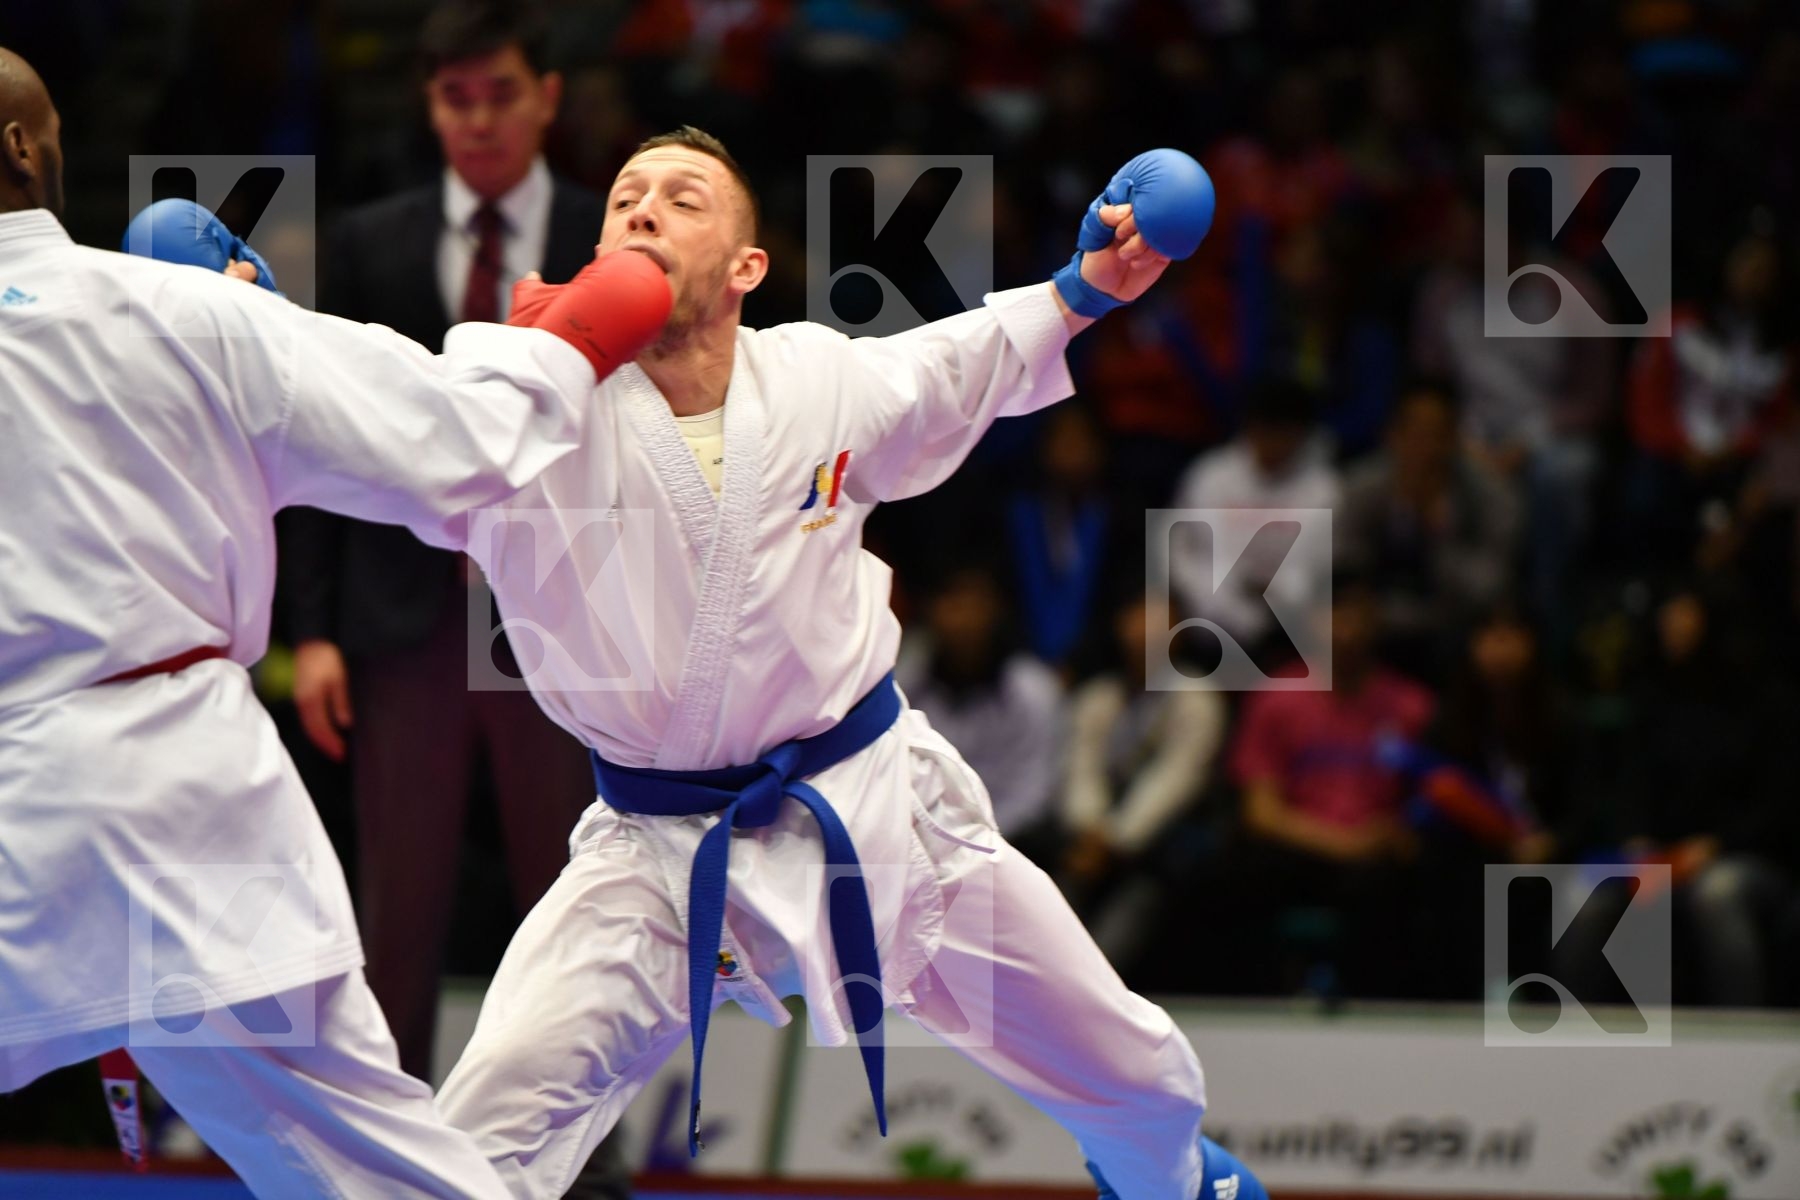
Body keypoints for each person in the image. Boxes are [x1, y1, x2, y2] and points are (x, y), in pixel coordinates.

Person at [434, 128, 1264, 1200]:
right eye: (626, 197)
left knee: (1140, 1076)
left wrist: (1083, 289)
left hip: (877, 813)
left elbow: (949, 366)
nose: (642, 208)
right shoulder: (519, 401)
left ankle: (1179, 1186)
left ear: (747, 267)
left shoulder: (815, 378)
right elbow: (376, 420)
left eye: (682, 198)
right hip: (657, 855)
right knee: (479, 1129)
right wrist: (252, 322)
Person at [0, 45, 664, 1197]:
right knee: (369, 1167)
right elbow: (452, 442)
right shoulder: (175, 310)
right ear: (22, 147)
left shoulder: (183, 312)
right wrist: (569, 342)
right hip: (181, 800)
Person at [278, 0, 612, 1100]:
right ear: (429, 107)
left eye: (500, 94)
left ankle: (584, 1160)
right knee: (399, 908)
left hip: (559, 619)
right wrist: (312, 630)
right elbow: (319, 441)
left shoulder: (609, 242)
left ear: (546, 98)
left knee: (580, 899)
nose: (479, 120)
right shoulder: (367, 242)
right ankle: (392, 1151)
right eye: (456, 98)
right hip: (404, 617)